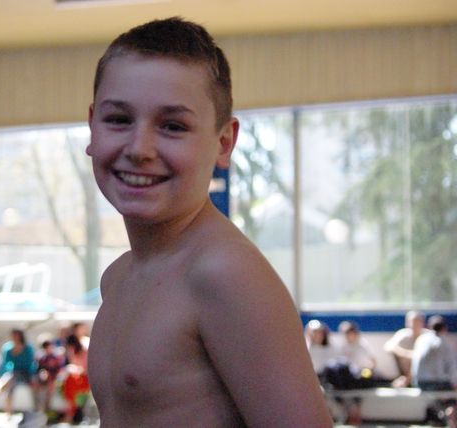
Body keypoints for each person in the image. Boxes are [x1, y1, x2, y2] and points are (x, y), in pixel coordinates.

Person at [85, 17, 331, 426]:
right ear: (92, 125)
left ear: (224, 143)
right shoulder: (119, 276)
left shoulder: (225, 274)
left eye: (173, 126)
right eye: (119, 119)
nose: (140, 148)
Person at [411, 315, 457, 427]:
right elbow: (452, 368)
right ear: (444, 329)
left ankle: (442, 414)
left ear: (428, 327)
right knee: (451, 392)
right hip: (436, 384)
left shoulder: (421, 340)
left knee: (441, 394)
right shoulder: (444, 343)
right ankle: (452, 416)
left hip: (419, 383)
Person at [0, 328, 36, 417]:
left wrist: (32, 375)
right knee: (9, 385)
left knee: (10, 380)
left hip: (27, 373)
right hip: (14, 373)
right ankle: (7, 411)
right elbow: (6, 363)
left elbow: (30, 362)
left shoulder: (28, 348)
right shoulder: (8, 348)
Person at [384, 310, 430, 387]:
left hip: (424, 373)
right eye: (411, 322)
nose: (413, 325)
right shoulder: (403, 334)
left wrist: (412, 356)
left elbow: (422, 356)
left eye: (416, 322)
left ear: (422, 323)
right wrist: (405, 354)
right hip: (407, 370)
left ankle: (407, 380)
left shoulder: (427, 336)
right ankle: (405, 379)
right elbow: (388, 346)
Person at [33, 339, 64, 413]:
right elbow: (38, 369)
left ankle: (47, 408)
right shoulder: (42, 359)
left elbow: (59, 369)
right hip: (44, 379)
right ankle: (38, 407)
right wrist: (43, 373)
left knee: (50, 388)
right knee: (36, 386)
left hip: (53, 379)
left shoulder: (56, 358)